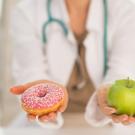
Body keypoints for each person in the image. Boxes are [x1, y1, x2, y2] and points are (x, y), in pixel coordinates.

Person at [10, 0, 135, 127]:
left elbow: (123, 70)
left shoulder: (125, 10)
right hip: (46, 123)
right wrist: (39, 87)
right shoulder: (27, 11)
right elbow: (30, 70)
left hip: (105, 120)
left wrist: (109, 95)